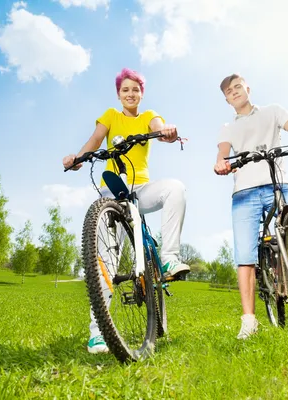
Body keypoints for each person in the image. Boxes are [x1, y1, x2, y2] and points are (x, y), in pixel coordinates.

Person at [63, 68, 190, 353]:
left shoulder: (147, 117)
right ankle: (98, 333)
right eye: (125, 90)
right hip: (114, 193)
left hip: (142, 191)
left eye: (135, 90)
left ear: (141, 93)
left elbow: (160, 127)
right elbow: (95, 141)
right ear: (119, 94)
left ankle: (168, 258)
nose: (130, 94)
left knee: (175, 188)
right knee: (105, 261)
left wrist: (168, 133)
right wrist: (78, 158)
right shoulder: (111, 115)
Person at [213, 74, 288, 340]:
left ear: (247, 88)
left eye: (238, 87)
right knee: (245, 255)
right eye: (229, 91)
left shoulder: (273, 111)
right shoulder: (227, 127)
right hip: (244, 192)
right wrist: (221, 162)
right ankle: (249, 320)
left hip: (279, 185)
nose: (235, 92)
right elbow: (222, 152)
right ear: (227, 99)